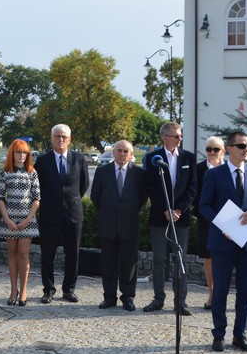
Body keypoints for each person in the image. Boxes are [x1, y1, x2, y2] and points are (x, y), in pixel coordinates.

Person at [199, 130, 247, 352]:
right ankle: (218, 334)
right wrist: (223, 225)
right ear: (229, 149)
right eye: (241, 146)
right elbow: (204, 206)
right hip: (222, 242)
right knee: (220, 291)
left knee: (246, 291)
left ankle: (240, 334)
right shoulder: (215, 174)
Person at [143, 121, 197, 316]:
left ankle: (180, 301)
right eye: (176, 136)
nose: (180, 138)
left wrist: (179, 209)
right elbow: (150, 187)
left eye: (181, 135)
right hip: (159, 217)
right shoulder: (152, 158)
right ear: (165, 137)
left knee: (179, 259)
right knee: (159, 260)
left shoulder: (188, 158)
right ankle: (158, 299)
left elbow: (192, 187)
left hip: (180, 218)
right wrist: (165, 208)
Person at [34, 124, 89, 303]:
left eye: (64, 137)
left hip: (73, 214)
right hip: (49, 215)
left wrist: (70, 201)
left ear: (70, 139)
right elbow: (37, 187)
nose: (61, 139)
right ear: (51, 138)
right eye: (57, 136)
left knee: (73, 254)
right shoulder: (42, 161)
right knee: (47, 254)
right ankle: (48, 290)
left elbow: (83, 186)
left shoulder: (79, 159)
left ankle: (69, 289)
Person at [90, 140, 147, 311]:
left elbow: (143, 198)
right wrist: (109, 211)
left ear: (131, 154)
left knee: (129, 265)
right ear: (113, 152)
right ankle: (109, 297)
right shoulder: (102, 172)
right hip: (108, 225)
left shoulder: (139, 173)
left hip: (130, 225)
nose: (122, 154)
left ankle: (128, 297)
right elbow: (95, 196)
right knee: (108, 263)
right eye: (119, 151)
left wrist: (130, 211)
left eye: (126, 151)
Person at [0, 139, 40, 306]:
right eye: (18, 152)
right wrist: (7, 219)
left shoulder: (32, 172)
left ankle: (23, 290)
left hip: (27, 220)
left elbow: (37, 199)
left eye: (24, 152)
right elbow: (0, 198)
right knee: (12, 253)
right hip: (9, 219)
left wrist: (27, 220)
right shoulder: (5, 171)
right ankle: (13, 290)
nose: (21, 155)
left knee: (23, 253)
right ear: (12, 153)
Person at [193, 136, 225, 310]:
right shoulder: (198, 169)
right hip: (206, 219)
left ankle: (222, 295)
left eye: (216, 149)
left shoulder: (229, 169)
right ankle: (212, 295)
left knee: (226, 257)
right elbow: (194, 194)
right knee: (209, 258)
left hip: (227, 219)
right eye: (209, 149)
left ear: (223, 151)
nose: (212, 152)